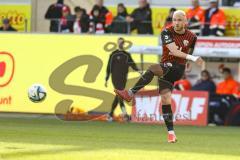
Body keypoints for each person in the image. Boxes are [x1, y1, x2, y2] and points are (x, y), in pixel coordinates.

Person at [115, 10, 204, 143]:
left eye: (180, 20)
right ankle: (171, 133)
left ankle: (130, 93)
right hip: (165, 68)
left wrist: (188, 62)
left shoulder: (192, 37)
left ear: (185, 22)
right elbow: (174, 50)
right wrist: (193, 58)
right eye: (174, 19)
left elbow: (187, 54)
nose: (176, 22)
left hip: (177, 69)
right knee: (165, 99)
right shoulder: (166, 32)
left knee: (152, 68)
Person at [105, 37, 140, 121]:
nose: (120, 43)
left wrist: (139, 71)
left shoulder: (126, 55)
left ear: (123, 43)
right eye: (119, 42)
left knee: (119, 95)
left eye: (122, 42)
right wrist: (106, 78)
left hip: (123, 78)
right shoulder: (113, 54)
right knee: (120, 94)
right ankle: (125, 115)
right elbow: (109, 67)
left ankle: (110, 114)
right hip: (115, 78)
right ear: (117, 43)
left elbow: (132, 64)